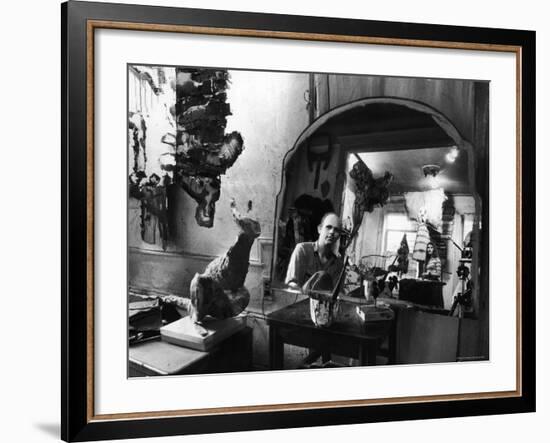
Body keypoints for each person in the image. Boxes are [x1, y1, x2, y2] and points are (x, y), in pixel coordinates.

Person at [285, 212, 345, 289]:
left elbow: (335, 294)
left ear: (339, 235)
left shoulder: (338, 265)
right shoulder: (302, 250)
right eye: (328, 227)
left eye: (336, 230)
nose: (332, 232)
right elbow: (292, 284)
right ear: (319, 229)